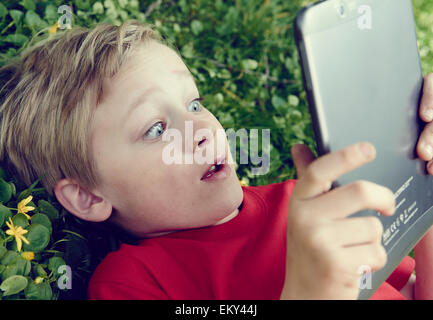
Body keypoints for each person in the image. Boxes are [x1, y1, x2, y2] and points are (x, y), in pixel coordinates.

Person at [1, 20, 433, 300]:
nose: (204, 129)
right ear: (87, 196)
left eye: (194, 104)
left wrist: (426, 180)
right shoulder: (135, 281)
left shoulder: (301, 202)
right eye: (155, 129)